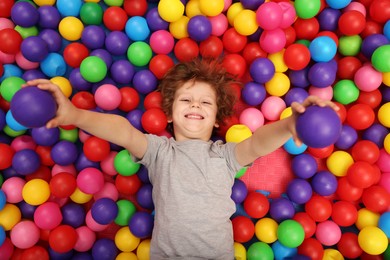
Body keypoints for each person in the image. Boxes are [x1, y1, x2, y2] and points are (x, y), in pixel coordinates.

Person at [24, 57, 338, 259]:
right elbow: (122, 131)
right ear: (171, 114)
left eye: (206, 103)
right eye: (186, 99)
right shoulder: (160, 151)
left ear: (217, 119)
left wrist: (289, 124)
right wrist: (75, 114)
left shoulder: (225, 155)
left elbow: (257, 144)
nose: (196, 106)